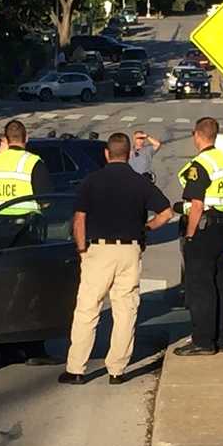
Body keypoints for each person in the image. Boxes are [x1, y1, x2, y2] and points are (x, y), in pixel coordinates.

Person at [59, 133, 173, 385]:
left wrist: (81, 250)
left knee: (88, 309)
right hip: (130, 250)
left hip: (98, 251)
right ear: (129, 153)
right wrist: (146, 228)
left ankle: (76, 368)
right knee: (125, 310)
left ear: (107, 154)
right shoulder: (139, 182)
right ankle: (117, 370)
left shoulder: (92, 181)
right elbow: (166, 212)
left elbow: (79, 219)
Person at [0, 120, 56, 365]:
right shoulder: (32, 162)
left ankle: (4, 344)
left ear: (6, 138)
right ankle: (33, 348)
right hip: (27, 232)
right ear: (26, 137)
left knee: (4, 287)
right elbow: (46, 201)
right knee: (32, 289)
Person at [175, 117, 223, 356]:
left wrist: (190, 235)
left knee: (201, 287)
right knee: (220, 284)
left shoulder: (200, 164)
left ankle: (202, 341)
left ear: (197, 135)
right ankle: (222, 338)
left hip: (205, 230)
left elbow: (197, 204)